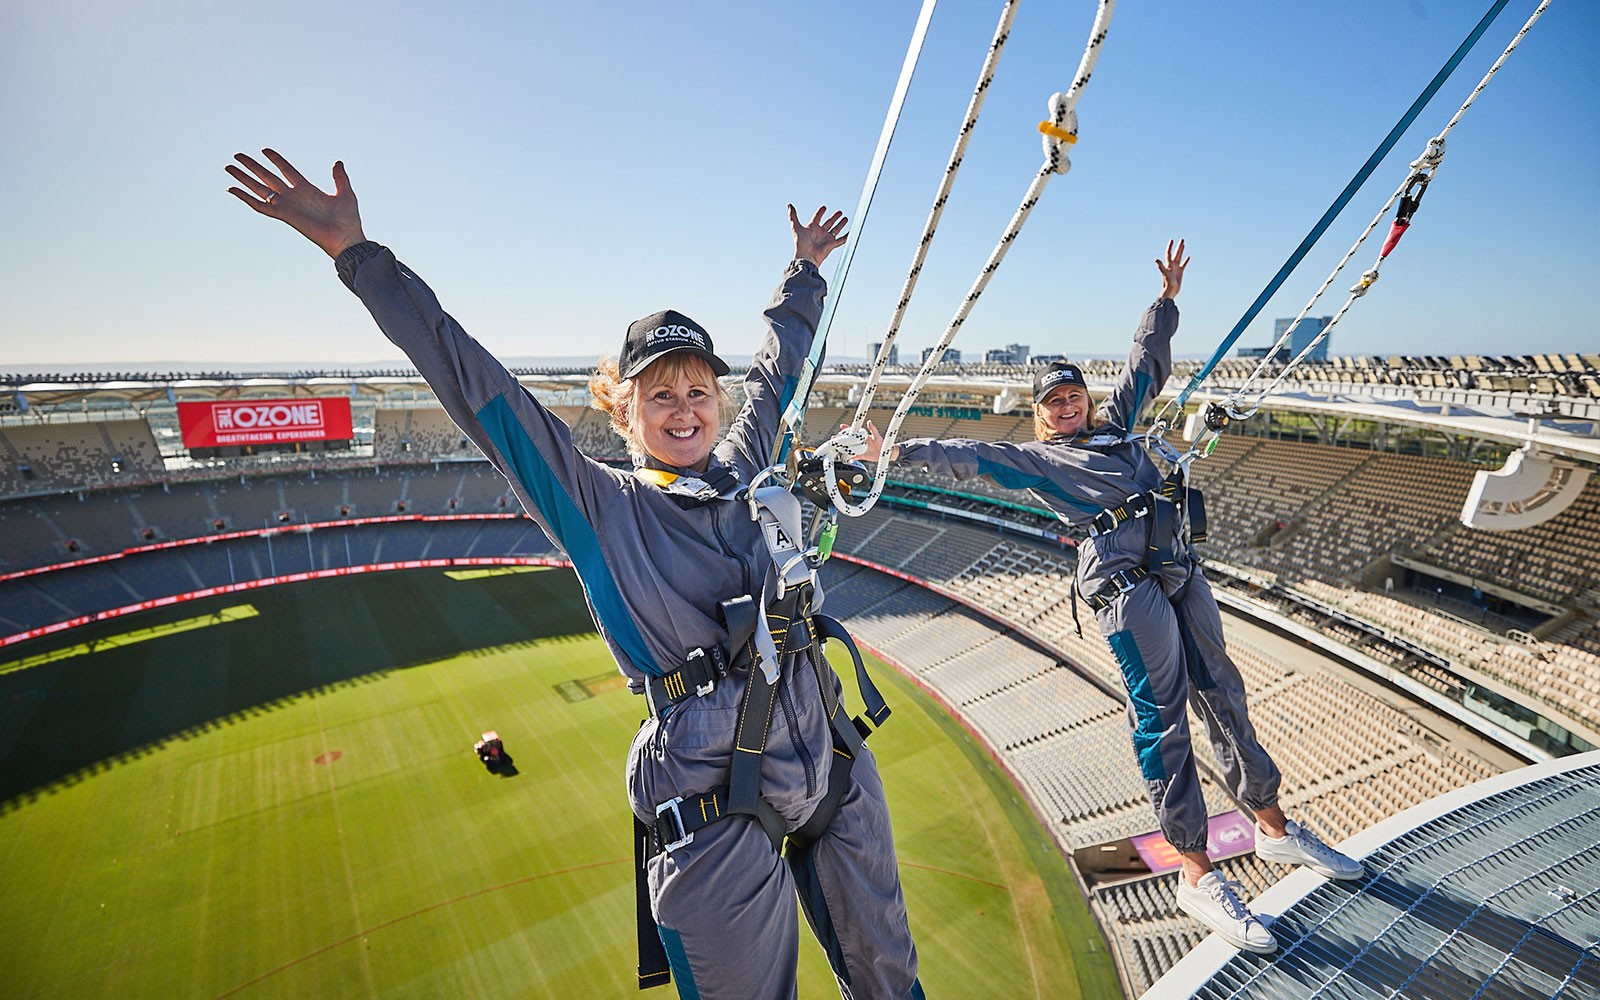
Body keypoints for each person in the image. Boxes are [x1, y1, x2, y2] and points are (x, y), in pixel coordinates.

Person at [227, 149, 923, 999]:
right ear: (622, 410)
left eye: (699, 390)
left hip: (826, 757)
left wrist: (804, 271)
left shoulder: (747, 461)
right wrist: (359, 257)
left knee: (895, 983)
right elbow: (475, 387)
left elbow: (779, 366)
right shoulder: (600, 505)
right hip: (712, 796)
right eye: (658, 395)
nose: (684, 409)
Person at [859, 240, 1364, 955]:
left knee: (1225, 693)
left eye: (1073, 396)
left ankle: (1275, 829)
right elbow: (969, 457)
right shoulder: (1040, 460)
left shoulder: (1119, 427)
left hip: (1177, 568)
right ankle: (1196, 872)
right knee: (1165, 720)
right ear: (1040, 416)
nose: (1066, 408)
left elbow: (1145, 366)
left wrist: (1165, 300)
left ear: (1087, 400)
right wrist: (895, 454)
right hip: (1129, 593)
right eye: (1053, 402)